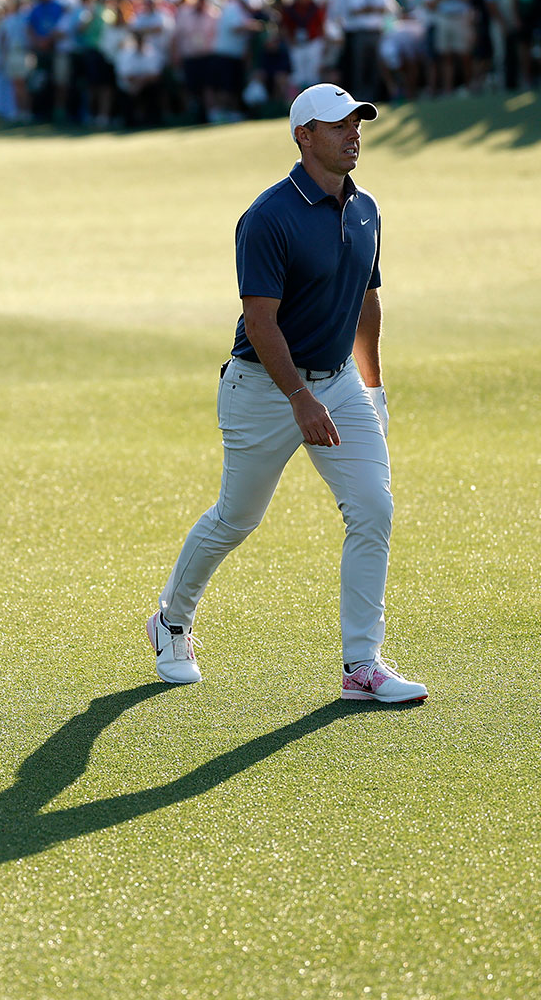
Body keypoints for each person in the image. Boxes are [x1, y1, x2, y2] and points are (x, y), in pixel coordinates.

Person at [147, 82, 426, 705]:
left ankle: (363, 664)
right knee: (236, 519)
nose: (353, 134)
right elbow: (261, 321)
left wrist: (372, 388)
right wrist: (300, 398)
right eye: (338, 126)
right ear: (303, 136)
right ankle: (171, 621)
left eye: (357, 123)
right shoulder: (268, 216)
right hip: (264, 390)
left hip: (340, 385)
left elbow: (366, 301)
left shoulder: (366, 208)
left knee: (372, 509)